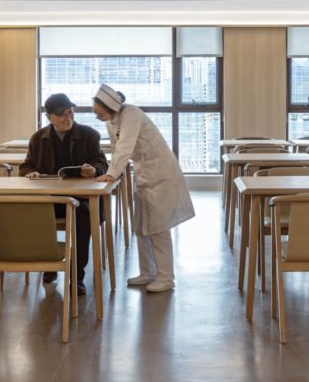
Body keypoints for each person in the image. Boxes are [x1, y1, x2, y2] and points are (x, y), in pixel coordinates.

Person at [93, 84, 195, 293]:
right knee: (141, 227)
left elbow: (125, 146)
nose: (97, 117)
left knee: (158, 228)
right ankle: (147, 272)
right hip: (143, 175)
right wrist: (114, 172)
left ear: (111, 107)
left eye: (99, 113)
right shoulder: (112, 120)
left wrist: (112, 173)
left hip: (160, 175)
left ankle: (166, 278)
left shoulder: (131, 114)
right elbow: (115, 148)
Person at [20, 92, 109, 295]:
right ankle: (49, 264)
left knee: (82, 217)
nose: (67, 117)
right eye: (61, 114)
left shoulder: (89, 135)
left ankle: (76, 276)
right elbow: (25, 167)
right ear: (49, 117)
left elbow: (102, 162)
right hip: (49, 199)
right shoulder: (38, 138)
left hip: (82, 199)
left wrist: (94, 170)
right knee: (37, 214)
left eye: (70, 112)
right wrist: (30, 173)